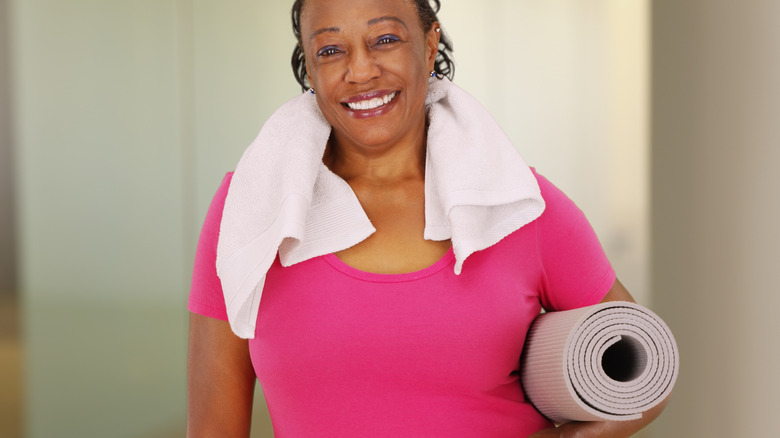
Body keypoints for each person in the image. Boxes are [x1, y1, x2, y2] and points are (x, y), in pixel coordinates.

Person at [186, 0, 668, 437]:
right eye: (331, 50)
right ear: (309, 68)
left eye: (386, 40)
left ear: (430, 42)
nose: (360, 71)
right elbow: (213, 429)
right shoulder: (251, 211)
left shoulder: (517, 205)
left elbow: (645, 374)